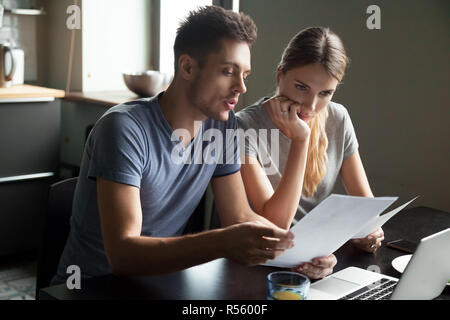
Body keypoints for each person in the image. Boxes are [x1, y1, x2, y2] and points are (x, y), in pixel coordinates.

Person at [51, 6, 295, 285]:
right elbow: (122, 255)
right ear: (188, 67)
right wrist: (220, 243)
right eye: (228, 71)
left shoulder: (223, 125)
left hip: (158, 283)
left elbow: (239, 215)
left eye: (245, 75)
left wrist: (299, 252)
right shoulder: (123, 129)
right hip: (91, 287)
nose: (241, 87)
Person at [236, 27, 384, 280]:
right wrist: (301, 140)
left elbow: (366, 207)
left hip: (312, 257)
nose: (311, 106)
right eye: (301, 87)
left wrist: (368, 234)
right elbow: (276, 224)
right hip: (255, 265)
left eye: (325, 93)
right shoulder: (243, 125)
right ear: (280, 74)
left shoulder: (338, 118)